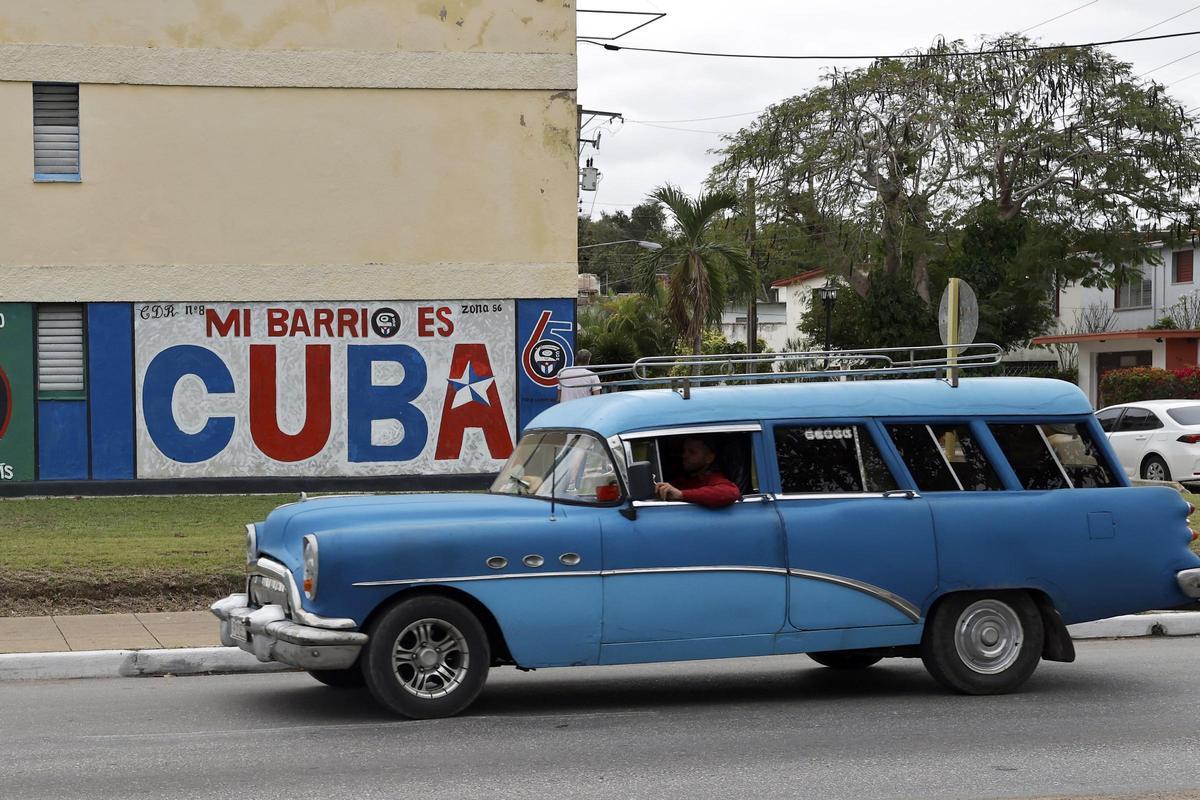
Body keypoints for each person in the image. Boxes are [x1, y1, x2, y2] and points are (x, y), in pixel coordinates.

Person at [654, 437, 741, 509]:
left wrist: (681, 495)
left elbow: (731, 492)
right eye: (684, 451)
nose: (684, 456)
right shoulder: (683, 479)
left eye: (692, 452)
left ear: (709, 458)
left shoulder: (713, 478)